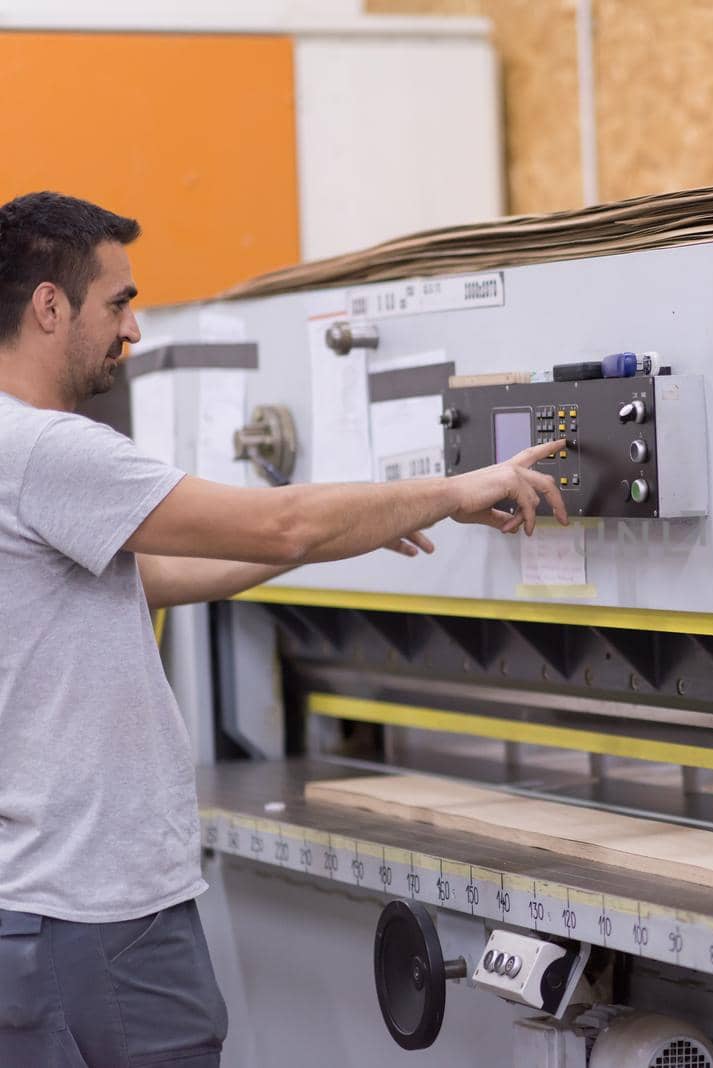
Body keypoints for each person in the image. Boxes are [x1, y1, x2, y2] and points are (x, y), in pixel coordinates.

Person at [0, 191, 566, 1067]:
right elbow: (279, 523)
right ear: (48, 306)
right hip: (92, 910)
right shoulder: (47, 450)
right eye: (119, 302)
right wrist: (454, 489)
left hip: (48, 909)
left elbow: (166, 570)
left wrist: (358, 524)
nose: (136, 331)